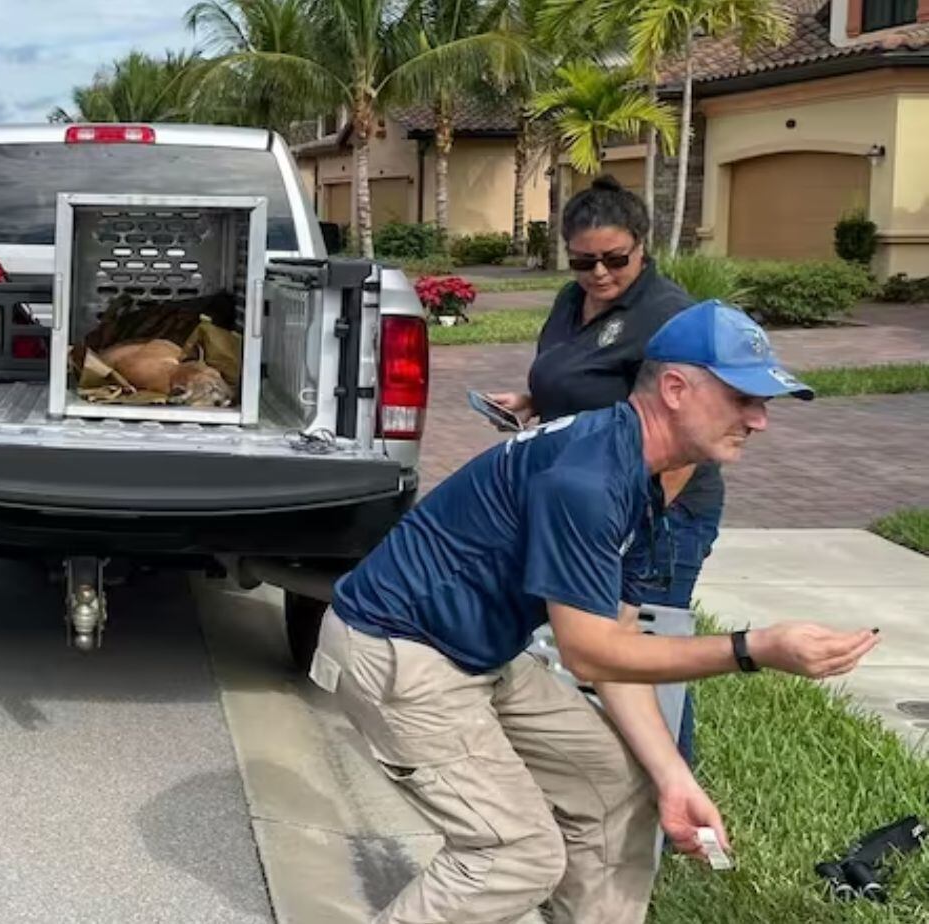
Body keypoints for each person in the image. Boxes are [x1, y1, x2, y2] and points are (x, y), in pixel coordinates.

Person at [311, 301, 880, 923]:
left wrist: (673, 779)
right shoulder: (587, 478)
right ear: (674, 389)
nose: (760, 419)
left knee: (615, 786)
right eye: (744, 397)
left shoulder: (646, 475)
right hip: (398, 652)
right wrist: (753, 649)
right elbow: (587, 652)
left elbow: (618, 644)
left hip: (479, 655)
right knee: (514, 855)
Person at [487, 176, 720, 761]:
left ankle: (672, 807)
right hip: (589, 500)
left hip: (659, 511)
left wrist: (638, 525)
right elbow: (585, 382)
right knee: (595, 652)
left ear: (642, 245)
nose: (598, 274)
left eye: (614, 259)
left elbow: (691, 435)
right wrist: (532, 401)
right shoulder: (574, 301)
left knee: (643, 654)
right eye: (582, 261)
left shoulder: (669, 317)